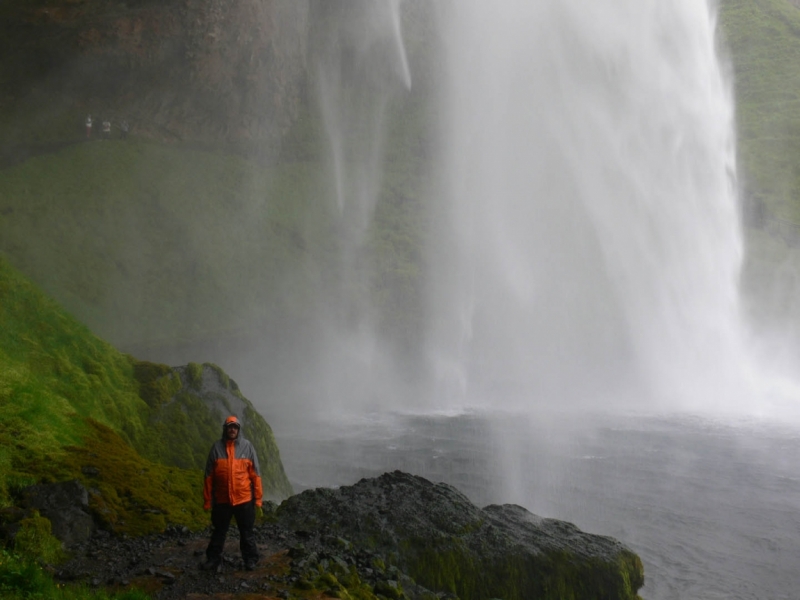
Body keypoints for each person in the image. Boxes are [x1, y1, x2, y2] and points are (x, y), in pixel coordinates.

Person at [201, 415, 263, 571]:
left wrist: (258, 500)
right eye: (230, 427)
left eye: (235, 427)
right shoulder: (216, 448)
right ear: (225, 429)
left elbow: (256, 475)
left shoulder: (247, 447)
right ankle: (213, 560)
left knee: (246, 532)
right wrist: (208, 500)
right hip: (222, 500)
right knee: (219, 532)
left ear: (238, 430)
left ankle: (250, 559)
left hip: (244, 499)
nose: (232, 429)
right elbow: (208, 477)